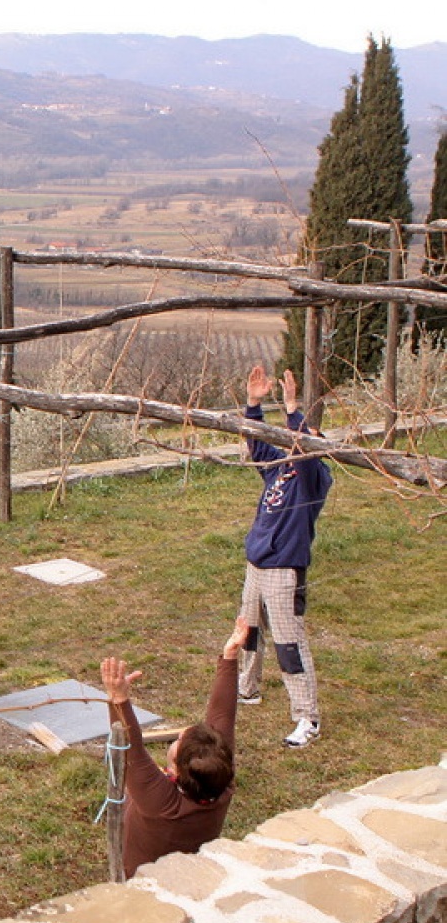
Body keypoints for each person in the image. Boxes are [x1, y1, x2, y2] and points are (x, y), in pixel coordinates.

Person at [101, 616, 247, 878]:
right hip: (189, 875)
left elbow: (131, 747)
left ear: (177, 770)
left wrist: (118, 699)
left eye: (179, 741)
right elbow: (223, 717)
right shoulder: (220, 781)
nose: (179, 735)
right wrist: (229, 657)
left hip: (141, 882)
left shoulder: (160, 802)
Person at [236, 365, 333, 748]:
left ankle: (307, 718)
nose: (296, 444)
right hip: (256, 562)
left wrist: (294, 409)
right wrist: (254, 405)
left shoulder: (314, 476)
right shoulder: (281, 469)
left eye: (303, 439)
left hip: (283, 569)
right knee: (248, 631)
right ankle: (248, 689)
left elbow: (308, 450)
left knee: (289, 644)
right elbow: (257, 445)